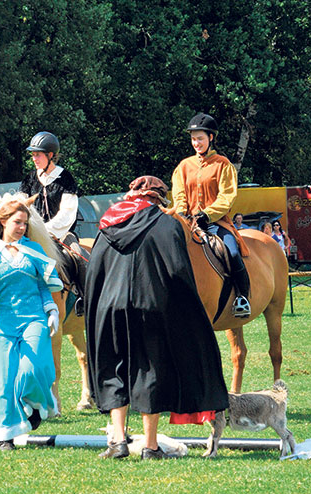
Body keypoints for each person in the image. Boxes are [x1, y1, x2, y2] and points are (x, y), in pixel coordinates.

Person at [84, 176, 229, 460]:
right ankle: (150, 446)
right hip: (150, 308)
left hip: (110, 309)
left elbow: (94, 271)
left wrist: (94, 306)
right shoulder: (167, 224)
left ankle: (117, 442)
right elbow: (178, 271)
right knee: (150, 371)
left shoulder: (107, 224)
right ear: (159, 200)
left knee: (115, 368)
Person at [0, 200, 62, 450]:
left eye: (24, 224)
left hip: (34, 318)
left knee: (33, 368)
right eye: (17, 222)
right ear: (3, 222)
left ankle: (35, 406)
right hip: (6, 321)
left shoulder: (33, 249)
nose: (21, 227)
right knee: (4, 378)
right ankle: (5, 436)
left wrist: (50, 308)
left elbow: (42, 284)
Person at [172, 112, 250, 318]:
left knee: (232, 252)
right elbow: (179, 193)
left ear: (211, 138)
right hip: (188, 223)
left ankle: (242, 297)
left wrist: (207, 214)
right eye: (193, 138)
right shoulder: (183, 166)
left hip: (215, 223)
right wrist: (181, 212)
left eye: (200, 138)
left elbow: (227, 196)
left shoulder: (223, 165)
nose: (196, 142)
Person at [20, 131, 88, 315]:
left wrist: (46, 230)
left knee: (78, 255)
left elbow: (67, 212)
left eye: (38, 154)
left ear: (50, 155)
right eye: (33, 154)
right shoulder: (29, 179)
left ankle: (84, 297)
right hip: (32, 233)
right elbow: (21, 205)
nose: (34, 158)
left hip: (61, 232)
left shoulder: (65, 178)